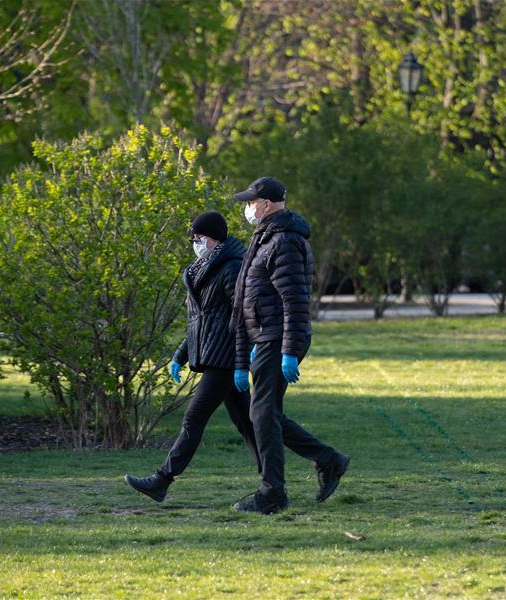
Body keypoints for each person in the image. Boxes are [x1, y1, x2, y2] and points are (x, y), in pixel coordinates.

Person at [230, 176, 350, 515]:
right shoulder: (266, 237)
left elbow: (295, 301)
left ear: (266, 204)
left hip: (279, 337)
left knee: (262, 413)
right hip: (268, 336)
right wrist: (253, 341)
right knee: (266, 413)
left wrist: (288, 351)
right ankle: (327, 459)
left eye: (251, 202)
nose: (247, 208)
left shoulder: (283, 241)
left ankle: (272, 493)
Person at [124, 211, 261, 502]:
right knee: (250, 422)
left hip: (225, 358)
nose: (195, 243)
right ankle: (294, 471)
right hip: (215, 355)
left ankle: (161, 480)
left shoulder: (231, 268)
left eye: (199, 237)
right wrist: (180, 355)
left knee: (194, 418)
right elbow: (202, 321)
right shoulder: (202, 269)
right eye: (194, 238)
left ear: (214, 238)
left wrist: (241, 364)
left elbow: (243, 319)